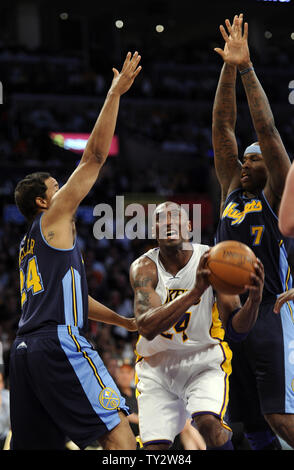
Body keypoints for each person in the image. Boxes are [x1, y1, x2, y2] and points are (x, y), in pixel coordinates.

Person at [9, 51, 142, 450]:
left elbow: (74, 298)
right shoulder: (53, 220)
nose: (65, 191)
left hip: (24, 352)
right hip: (60, 343)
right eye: (56, 188)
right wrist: (114, 94)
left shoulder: (29, 244)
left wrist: (126, 322)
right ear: (43, 202)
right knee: (120, 440)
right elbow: (94, 157)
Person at [213, 14, 294, 449]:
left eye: (254, 159)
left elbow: (268, 131)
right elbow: (223, 129)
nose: (244, 162)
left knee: (280, 417)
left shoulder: (279, 192)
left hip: (272, 314)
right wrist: (227, 67)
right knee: (248, 425)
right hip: (229, 315)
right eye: (243, 159)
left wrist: (246, 69)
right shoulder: (233, 191)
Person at [129, 201, 264, 450]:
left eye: (175, 217)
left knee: (209, 425)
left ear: (189, 226)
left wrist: (254, 302)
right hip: (156, 366)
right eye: (160, 219)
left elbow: (236, 330)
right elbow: (146, 327)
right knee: (154, 449)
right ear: (153, 232)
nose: (168, 222)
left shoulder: (213, 259)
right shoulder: (144, 267)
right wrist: (195, 292)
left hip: (203, 358)